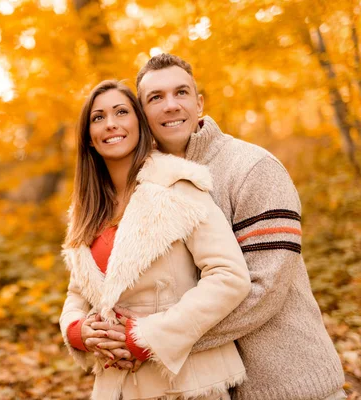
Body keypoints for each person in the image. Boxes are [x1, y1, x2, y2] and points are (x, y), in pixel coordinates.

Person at [110, 53, 345, 400]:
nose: (171, 105)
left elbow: (265, 290)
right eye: (155, 98)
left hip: (288, 384)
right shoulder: (145, 184)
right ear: (142, 115)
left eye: (181, 93)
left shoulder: (253, 168)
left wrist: (156, 339)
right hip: (206, 388)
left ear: (199, 102)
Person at [59, 80, 252, 400]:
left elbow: (230, 276)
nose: (110, 124)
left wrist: (145, 338)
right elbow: (77, 293)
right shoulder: (86, 207)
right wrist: (79, 332)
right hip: (116, 385)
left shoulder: (176, 185)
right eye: (98, 117)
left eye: (121, 112)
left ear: (139, 124)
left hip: (187, 384)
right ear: (89, 139)